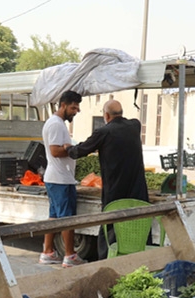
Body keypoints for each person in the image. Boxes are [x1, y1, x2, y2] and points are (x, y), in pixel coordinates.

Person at [66, 98, 149, 259]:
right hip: (137, 191)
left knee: (109, 227)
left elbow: (79, 151)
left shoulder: (104, 132)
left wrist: (68, 148)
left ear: (106, 115)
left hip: (115, 192)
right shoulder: (135, 126)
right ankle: (137, 259)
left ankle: (105, 261)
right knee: (138, 225)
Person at [39, 90, 85, 268]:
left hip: (56, 177)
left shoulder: (56, 123)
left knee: (54, 217)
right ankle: (70, 255)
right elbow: (55, 151)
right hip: (60, 179)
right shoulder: (56, 125)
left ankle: (48, 252)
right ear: (63, 105)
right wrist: (70, 148)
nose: (77, 111)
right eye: (74, 107)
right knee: (67, 219)